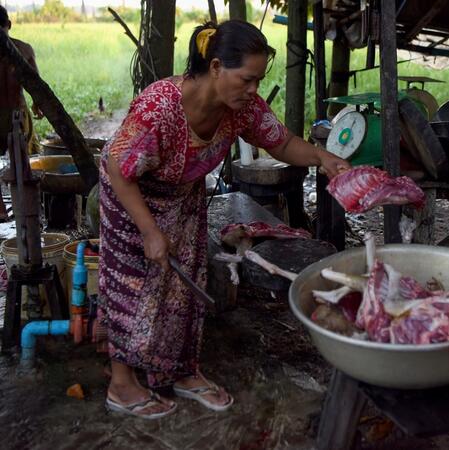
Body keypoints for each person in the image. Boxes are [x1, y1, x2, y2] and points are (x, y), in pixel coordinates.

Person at [99, 19, 350, 419]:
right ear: (215, 67)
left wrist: (323, 157)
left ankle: (179, 372)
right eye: (247, 79)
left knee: (184, 284)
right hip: (131, 195)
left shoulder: (242, 109)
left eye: (258, 80)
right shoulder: (159, 107)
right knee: (132, 286)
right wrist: (148, 230)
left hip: (182, 196)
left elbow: (281, 141)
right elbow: (118, 167)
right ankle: (122, 383)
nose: (253, 90)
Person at [0, 5, 43, 156]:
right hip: (18, 114)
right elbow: (36, 85)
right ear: (9, 24)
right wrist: (38, 105)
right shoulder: (24, 49)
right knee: (25, 165)